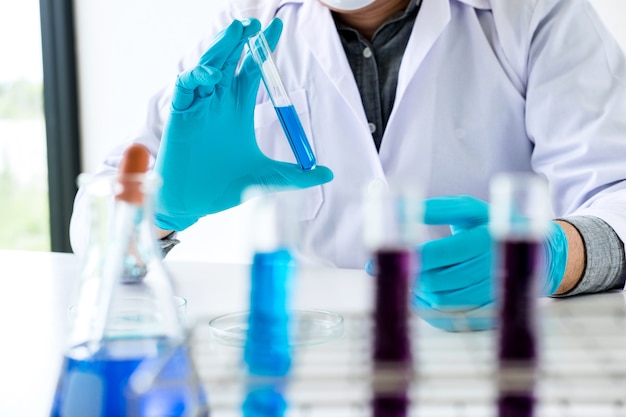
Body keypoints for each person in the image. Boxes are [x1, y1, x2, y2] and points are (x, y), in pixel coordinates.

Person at [70, 0, 626, 331]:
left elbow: (616, 190)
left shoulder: (535, 12)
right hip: (313, 354)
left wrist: (552, 255)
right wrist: (162, 208)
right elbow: (93, 235)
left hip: (496, 339)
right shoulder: (244, 29)